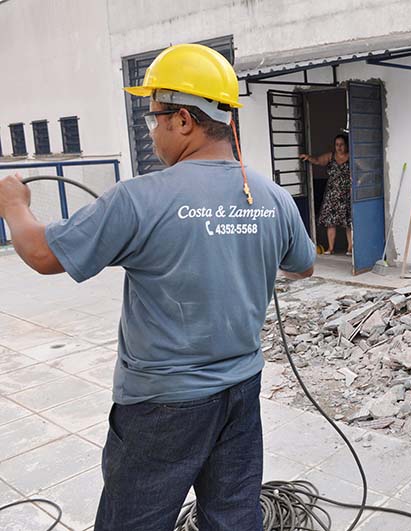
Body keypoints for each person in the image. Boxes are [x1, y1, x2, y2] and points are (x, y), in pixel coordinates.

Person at [0, 43, 315, 530]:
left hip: (161, 407)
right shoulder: (272, 194)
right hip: (240, 392)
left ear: (185, 120)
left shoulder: (139, 199)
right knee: (234, 517)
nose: (152, 133)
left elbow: (42, 254)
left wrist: (14, 205)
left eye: (156, 118)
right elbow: (304, 265)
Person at [300, 134, 352, 256]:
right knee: (330, 222)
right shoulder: (330, 156)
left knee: (348, 223)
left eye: (341, 144)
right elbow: (318, 160)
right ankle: (331, 248)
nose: (339, 147)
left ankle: (350, 248)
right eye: (337, 145)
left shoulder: (351, 157)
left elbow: (362, 169)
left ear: (346, 145)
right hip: (332, 195)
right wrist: (308, 158)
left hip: (347, 195)